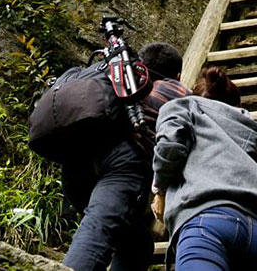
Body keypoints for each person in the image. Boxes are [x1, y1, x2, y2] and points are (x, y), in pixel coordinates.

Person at [61, 42, 191, 271]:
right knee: (99, 230)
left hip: (77, 161)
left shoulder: (121, 81)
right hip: (123, 163)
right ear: (178, 75)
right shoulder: (176, 92)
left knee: (136, 244)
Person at [151, 66, 257, 271]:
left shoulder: (183, 105)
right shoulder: (252, 130)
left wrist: (160, 190)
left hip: (207, 221)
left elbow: (170, 146)